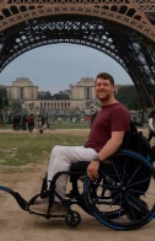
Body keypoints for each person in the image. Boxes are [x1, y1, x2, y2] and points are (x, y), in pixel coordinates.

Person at [29, 72, 131, 216]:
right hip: (93, 149)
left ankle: (58, 203)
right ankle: (51, 196)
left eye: (105, 84)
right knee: (56, 150)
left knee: (60, 152)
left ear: (114, 88)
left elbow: (116, 140)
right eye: (98, 85)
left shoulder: (118, 110)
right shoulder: (105, 110)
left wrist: (97, 160)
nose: (101, 87)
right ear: (95, 88)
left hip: (101, 154)